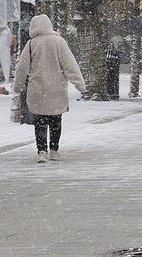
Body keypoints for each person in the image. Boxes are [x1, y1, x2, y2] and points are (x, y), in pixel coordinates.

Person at [12, 14, 87, 163]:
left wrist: (18, 86)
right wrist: (80, 84)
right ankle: (54, 149)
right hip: (56, 89)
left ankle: (41, 150)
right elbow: (70, 65)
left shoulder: (31, 44)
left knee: (39, 121)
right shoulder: (59, 42)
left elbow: (22, 68)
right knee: (55, 120)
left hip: (37, 88)